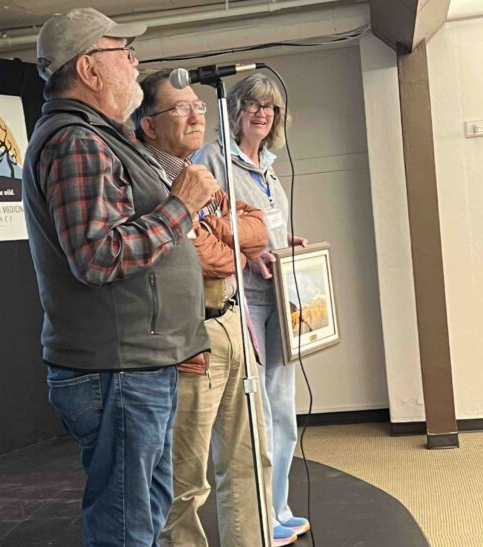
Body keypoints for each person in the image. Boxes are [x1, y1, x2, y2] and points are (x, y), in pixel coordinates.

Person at [22, 9, 220, 546]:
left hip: (133, 364)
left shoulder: (102, 138)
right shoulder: (78, 142)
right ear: (89, 68)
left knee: (144, 515)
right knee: (127, 528)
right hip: (118, 371)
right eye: (123, 52)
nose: (135, 63)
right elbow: (98, 256)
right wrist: (180, 206)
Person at [133, 69, 273, 547]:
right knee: (184, 481)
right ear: (149, 124)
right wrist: (229, 244)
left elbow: (259, 228)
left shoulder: (199, 174)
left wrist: (220, 232)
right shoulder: (148, 183)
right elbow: (199, 260)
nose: (196, 115)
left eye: (198, 105)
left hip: (235, 323)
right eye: (180, 107)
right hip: (193, 342)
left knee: (251, 461)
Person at [193, 73, 310, 547]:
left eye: (272, 108)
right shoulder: (215, 160)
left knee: (281, 406)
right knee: (254, 408)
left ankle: (278, 506)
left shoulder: (271, 165)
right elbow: (201, 225)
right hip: (239, 296)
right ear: (236, 108)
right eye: (256, 105)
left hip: (278, 295)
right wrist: (248, 254)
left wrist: (284, 244)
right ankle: (257, 515)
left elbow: (266, 224)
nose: (264, 114)